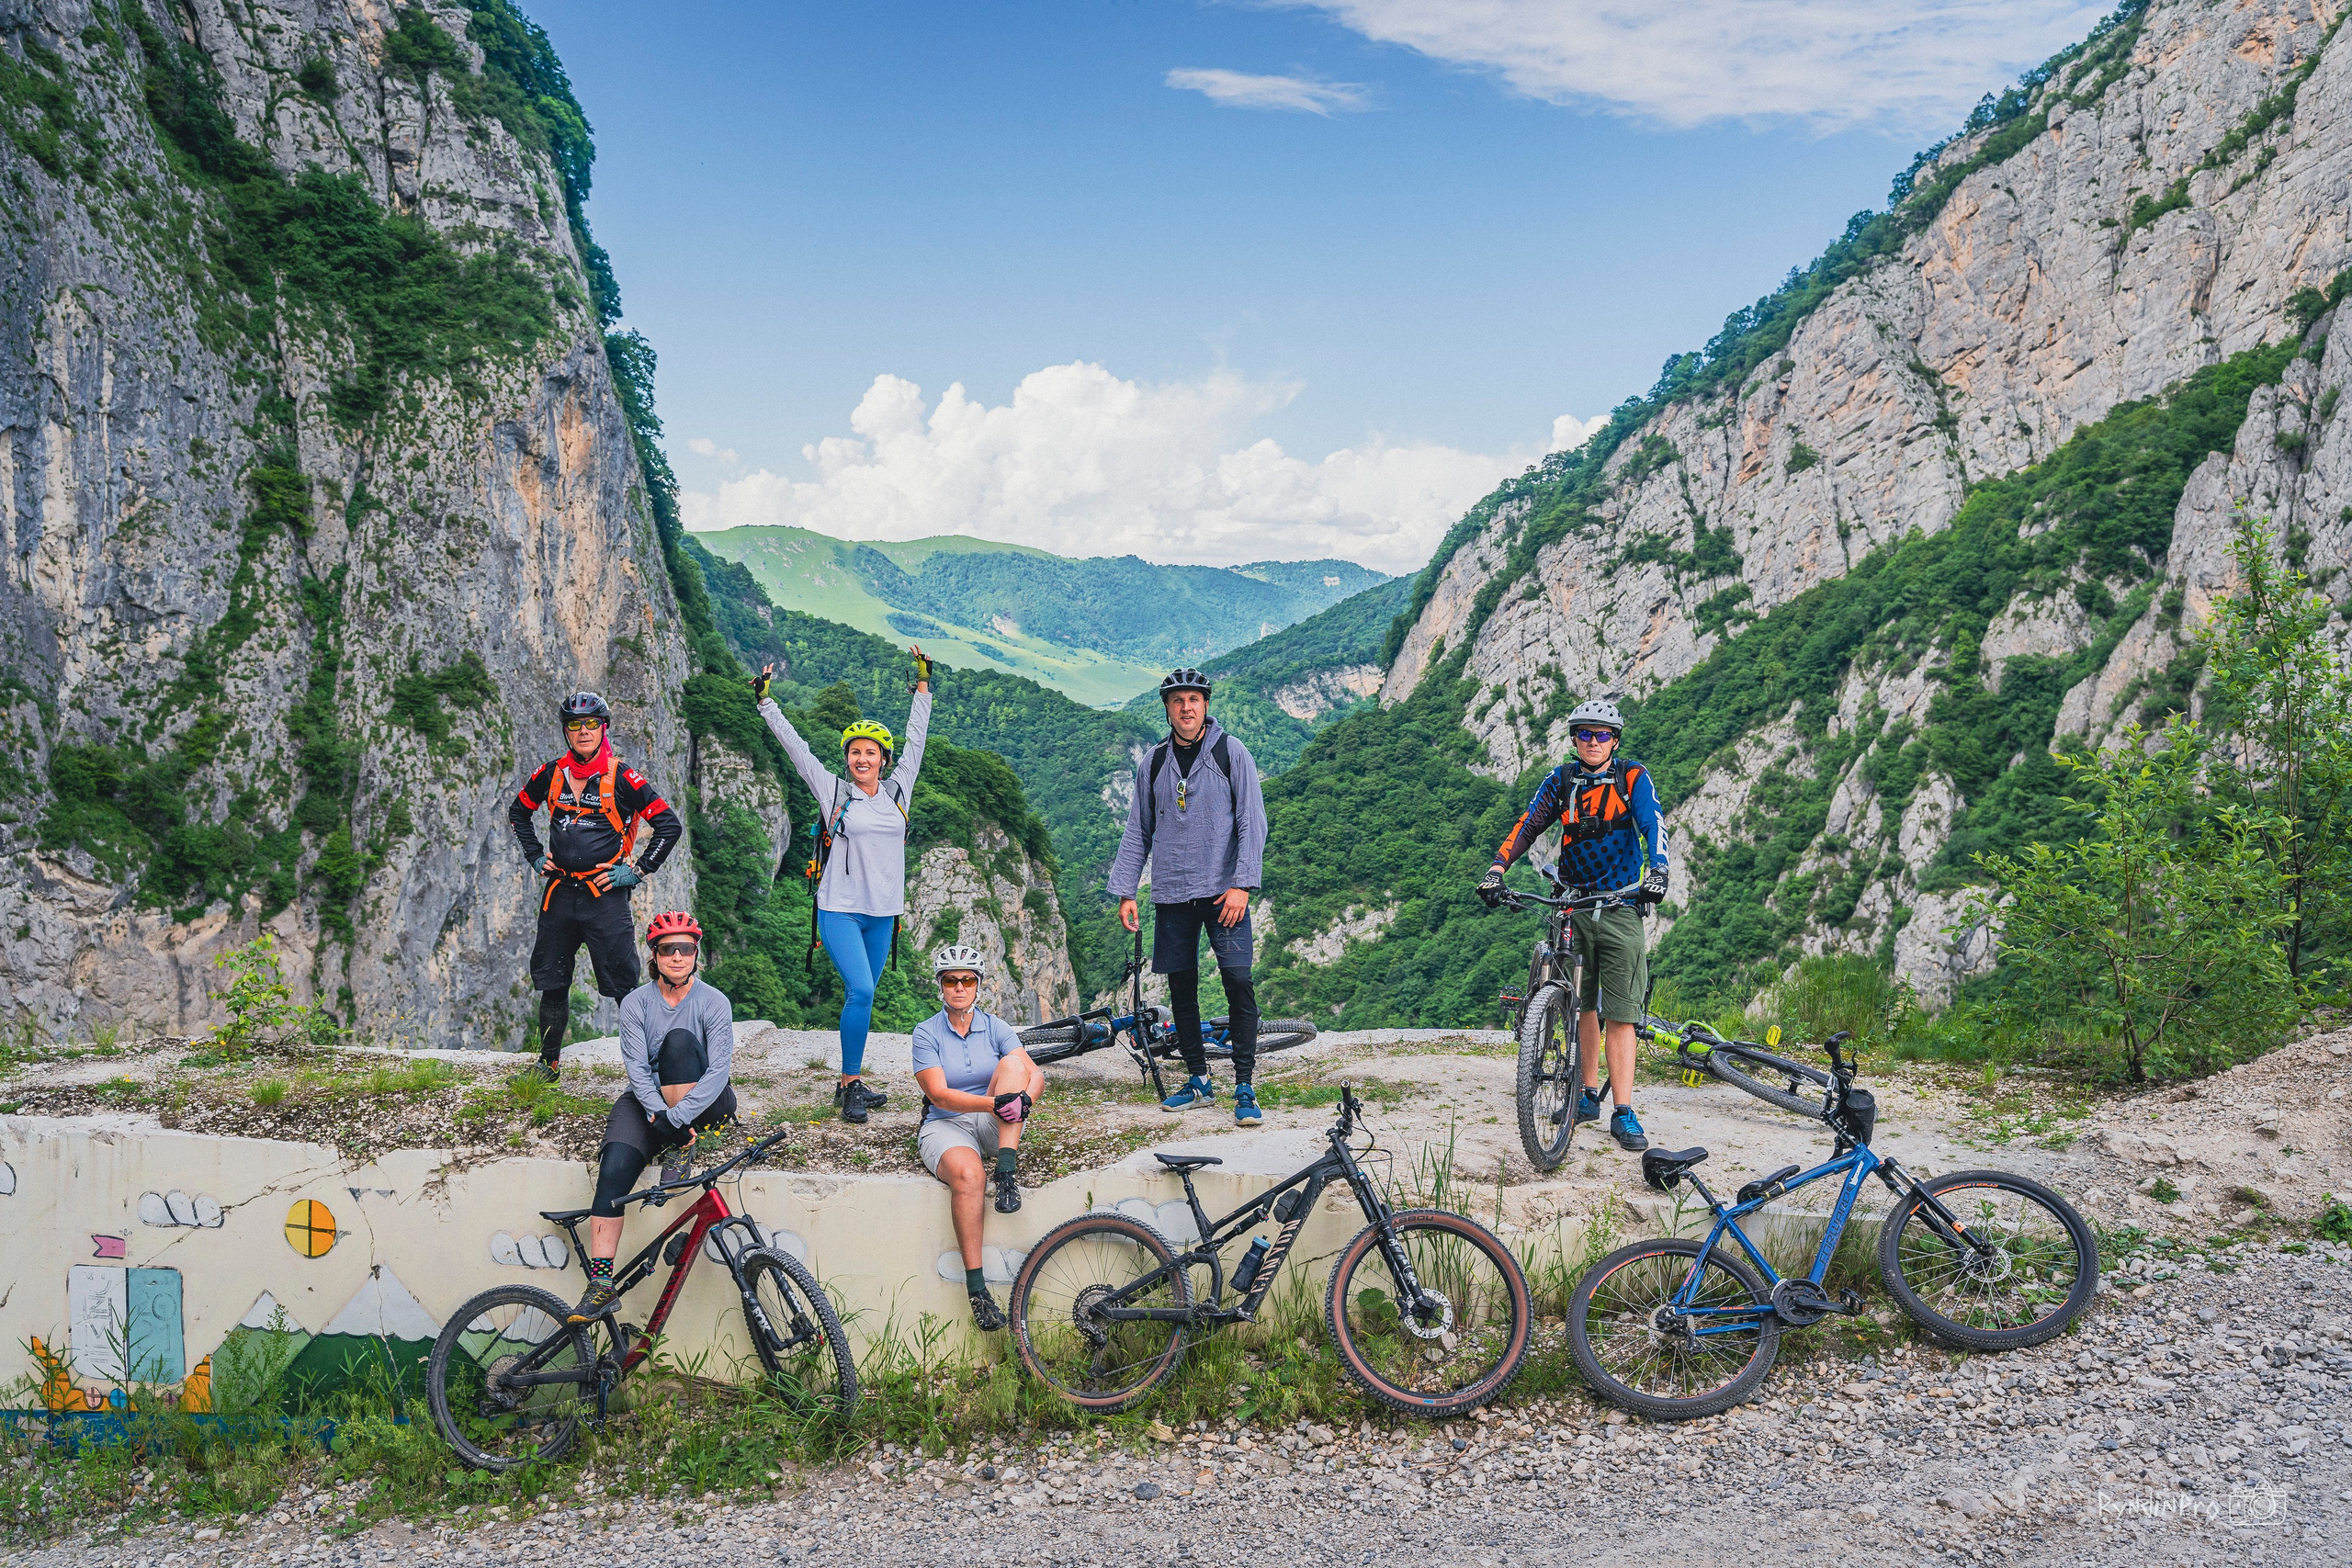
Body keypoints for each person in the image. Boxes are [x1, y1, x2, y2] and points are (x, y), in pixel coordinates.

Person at [1477, 696, 1672, 1154]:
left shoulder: (1632, 778)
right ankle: (1586, 1096)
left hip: (1621, 905)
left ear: (1615, 740)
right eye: (1585, 734)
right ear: (1574, 739)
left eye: (1602, 735)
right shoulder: (1562, 781)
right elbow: (1528, 825)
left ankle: (1623, 1111)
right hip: (1572, 905)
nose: (1593, 741)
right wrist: (1497, 868)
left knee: (1621, 1013)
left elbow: (1653, 825)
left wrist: (1658, 870)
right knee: (1581, 1004)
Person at [753, 649, 932, 1123]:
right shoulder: (834, 792)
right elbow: (797, 751)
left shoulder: (899, 791)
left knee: (863, 995)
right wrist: (767, 703)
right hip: (840, 910)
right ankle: (851, 1084)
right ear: (848, 758)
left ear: (883, 759)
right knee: (862, 991)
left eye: (871, 752)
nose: (862, 758)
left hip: (883, 914)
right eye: (855, 752)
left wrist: (922, 687)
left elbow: (917, 741)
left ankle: (848, 1081)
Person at [1105, 668, 1270, 1126]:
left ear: (1206, 704)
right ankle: (1199, 1080)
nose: (1186, 707)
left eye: (1194, 699)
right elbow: (1138, 829)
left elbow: (1252, 821)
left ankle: (1244, 1083)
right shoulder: (1154, 762)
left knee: (1237, 980)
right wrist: (1126, 891)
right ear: (1167, 708)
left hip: (1224, 894)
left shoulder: (1230, 752)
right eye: (1178, 700)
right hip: (1173, 892)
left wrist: (1242, 885)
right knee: (1182, 987)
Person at [569, 911, 738, 1322]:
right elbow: (637, 1069)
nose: (677, 957)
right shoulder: (636, 1003)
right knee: (614, 1168)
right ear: (655, 955)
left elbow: (719, 1070)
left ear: (696, 953)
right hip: (649, 1102)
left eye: (685, 948)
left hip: (705, 1099)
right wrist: (657, 1114)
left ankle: (681, 1144)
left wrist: (676, 1119)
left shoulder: (713, 1001)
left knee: (678, 1043)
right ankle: (601, 1283)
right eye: (668, 949)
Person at [509, 692, 683, 1079]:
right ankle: (548, 1064)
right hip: (559, 894)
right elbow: (519, 812)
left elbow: (668, 826)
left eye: (592, 724)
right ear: (566, 731)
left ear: (604, 728)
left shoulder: (623, 777)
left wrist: (637, 871)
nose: (584, 731)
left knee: (625, 987)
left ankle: (652, 1069)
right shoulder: (550, 773)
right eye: (575, 724)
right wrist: (534, 854)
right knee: (553, 982)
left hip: (604, 896)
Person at [910, 943, 1043, 1332]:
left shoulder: (996, 1027)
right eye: (951, 980)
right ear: (940, 985)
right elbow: (939, 1095)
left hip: (992, 1124)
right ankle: (977, 1290)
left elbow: (1036, 1075)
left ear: (978, 985)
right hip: (945, 1124)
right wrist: (995, 1103)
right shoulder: (925, 1033)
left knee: (1014, 1065)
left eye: (967, 980)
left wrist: (1023, 1100)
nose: (959, 987)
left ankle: (1007, 1172)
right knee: (969, 1178)